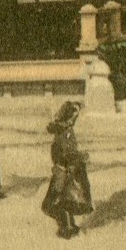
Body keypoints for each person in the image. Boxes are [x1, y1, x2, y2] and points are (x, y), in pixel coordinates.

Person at [41, 102, 92, 238]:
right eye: (72, 117)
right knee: (61, 200)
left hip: (67, 169)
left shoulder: (65, 130)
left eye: (75, 118)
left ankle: (68, 225)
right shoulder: (65, 132)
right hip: (65, 171)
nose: (74, 120)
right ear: (66, 117)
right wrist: (80, 156)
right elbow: (66, 152)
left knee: (65, 200)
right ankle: (66, 227)